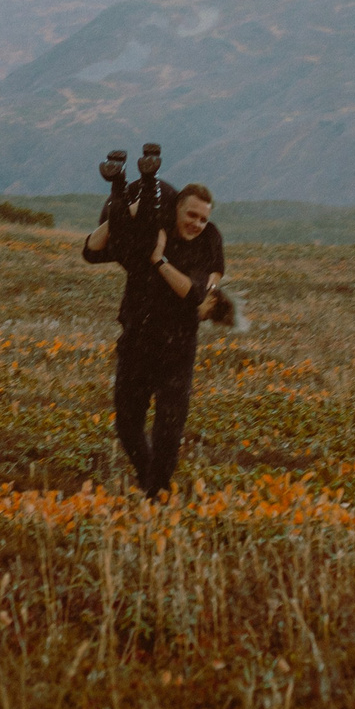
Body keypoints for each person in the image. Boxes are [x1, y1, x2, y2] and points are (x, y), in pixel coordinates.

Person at [83, 173, 224, 497]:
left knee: (168, 432)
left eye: (203, 218)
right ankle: (153, 484)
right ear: (176, 208)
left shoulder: (207, 241)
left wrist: (158, 259)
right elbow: (91, 250)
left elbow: (193, 294)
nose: (197, 224)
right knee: (127, 425)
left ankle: (156, 495)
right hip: (136, 341)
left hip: (178, 347)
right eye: (191, 215)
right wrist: (123, 210)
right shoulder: (148, 231)